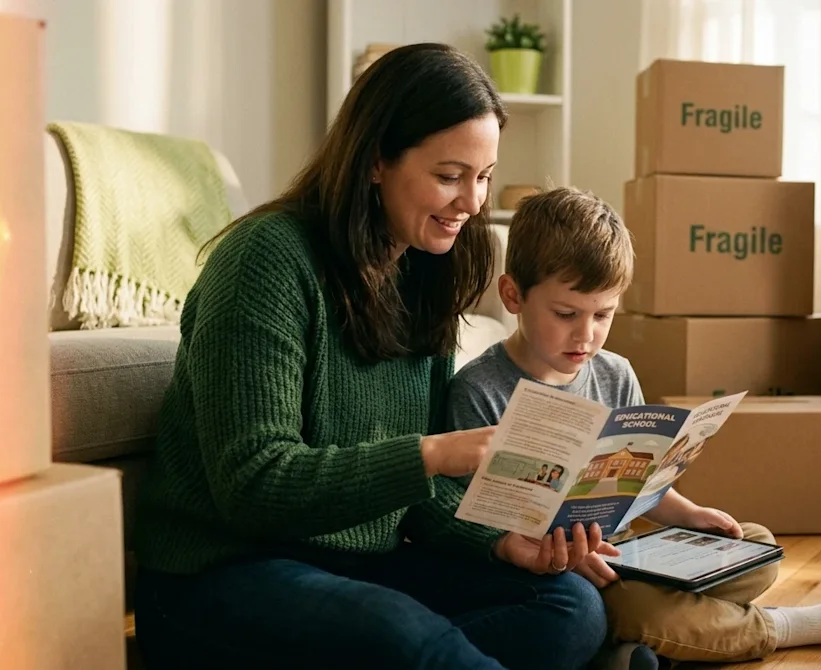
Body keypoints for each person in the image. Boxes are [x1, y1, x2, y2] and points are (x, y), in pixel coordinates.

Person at [131, 43, 615, 670]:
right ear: (376, 161)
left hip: (363, 567)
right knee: (403, 638)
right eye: (449, 176)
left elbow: (422, 505)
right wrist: (434, 453)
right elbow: (254, 484)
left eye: (485, 176)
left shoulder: (425, 272)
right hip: (220, 576)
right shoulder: (265, 261)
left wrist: (501, 545)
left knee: (571, 608)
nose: (473, 203)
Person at [445, 187, 821, 667]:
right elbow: (469, 522)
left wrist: (688, 514)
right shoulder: (479, 390)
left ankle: (634, 645)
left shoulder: (615, 373)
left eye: (603, 315)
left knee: (754, 544)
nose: (585, 334)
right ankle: (778, 626)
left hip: (629, 550)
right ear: (513, 296)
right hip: (555, 572)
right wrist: (550, 550)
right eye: (566, 314)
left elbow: (637, 484)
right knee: (629, 603)